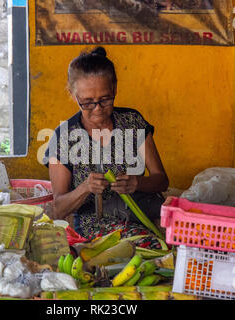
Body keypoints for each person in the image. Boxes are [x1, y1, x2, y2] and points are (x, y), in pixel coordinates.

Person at [43, 46, 169, 250]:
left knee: (191, 237)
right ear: (73, 95)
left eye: (105, 99)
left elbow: (162, 180)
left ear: (115, 88)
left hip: (141, 208)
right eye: (87, 102)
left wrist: (137, 183)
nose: (98, 109)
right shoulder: (64, 137)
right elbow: (58, 209)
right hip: (96, 221)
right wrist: (85, 188)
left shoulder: (132, 122)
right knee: (148, 246)